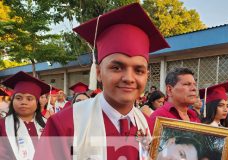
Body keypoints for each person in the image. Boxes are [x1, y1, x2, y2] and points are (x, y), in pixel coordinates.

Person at [34, 3, 169, 160]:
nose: (129, 78)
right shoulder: (64, 125)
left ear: (146, 75)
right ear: (98, 72)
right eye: (117, 68)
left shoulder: (150, 127)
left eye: (138, 70)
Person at [0, 71, 50, 159]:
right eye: (18, 98)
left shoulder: (48, 125)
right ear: (12, 100)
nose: (23, 102)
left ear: (37, 102)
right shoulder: (2, 125)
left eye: (29, 99)